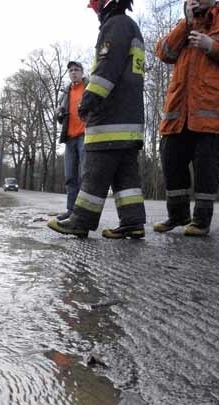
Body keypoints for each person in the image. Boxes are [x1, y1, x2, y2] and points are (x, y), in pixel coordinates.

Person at [153, 0, 219, 236]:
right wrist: (185, 25)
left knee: (207, 169)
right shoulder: (184, 24)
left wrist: (213, 46)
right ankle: (177, 216)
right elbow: (164, 53)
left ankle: (201, 221)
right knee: (171, 162)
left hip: (211, 114)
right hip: (178, 112)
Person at [47, 0, 146, 239]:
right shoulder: (130, 26)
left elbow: (106, 69)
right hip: (130, 123)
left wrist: (87, 100)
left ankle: (80, 221)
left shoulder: (115, 26)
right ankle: (132, 222)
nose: (96, 12)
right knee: (126, 176)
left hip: (110, 121)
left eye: (96, 6)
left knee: (94, 172)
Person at [54, 61, 87, 221]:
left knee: (85, 175)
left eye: (76, 70)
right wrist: (59, 114)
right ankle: (70, 210)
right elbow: (60, 118)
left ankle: (83, 212)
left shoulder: (89, 88)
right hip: (70, 139)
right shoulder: (65, 93)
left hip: (85, 137)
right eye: (71, 70)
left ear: (82, 72)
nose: (73, 72)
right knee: (70, 177)